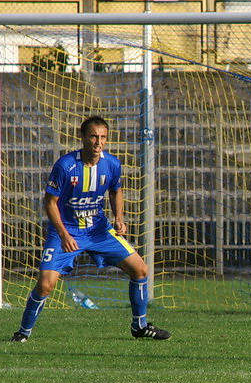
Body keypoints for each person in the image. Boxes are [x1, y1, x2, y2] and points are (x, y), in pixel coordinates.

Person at [10, 116, 170, 342]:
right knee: (45, 285)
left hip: (98, 230)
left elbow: (116, 190)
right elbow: (49, 202)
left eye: (103, 137)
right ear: (83, 137)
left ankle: (140, 326)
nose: (98, 142)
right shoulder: (66, 165)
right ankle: (22, 333)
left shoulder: (112, 164)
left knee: (140, 270)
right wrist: (64, 235)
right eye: (94, 136)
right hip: (66, 232)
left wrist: (119, 218)